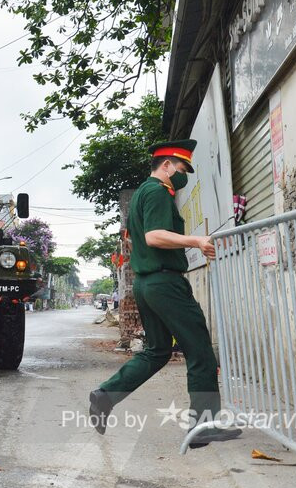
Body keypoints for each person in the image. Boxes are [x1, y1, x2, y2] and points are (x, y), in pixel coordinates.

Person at [88, 140, 241, 448]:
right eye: (182, 169)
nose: (183, 176)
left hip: (147, 284)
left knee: (157, 351)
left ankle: (105, 396)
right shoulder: (158, 191)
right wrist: (196, 241)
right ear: (167, 165)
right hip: (165, 283)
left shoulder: (144, 193)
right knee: (200, 353)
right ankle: (203, 427)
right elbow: (154, 236)